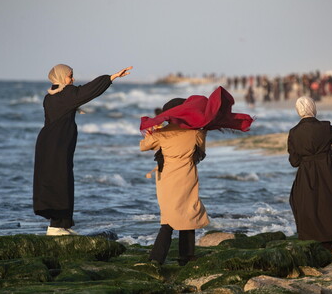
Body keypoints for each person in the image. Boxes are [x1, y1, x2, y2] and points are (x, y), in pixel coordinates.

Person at [140, 87, 253, 266]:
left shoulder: (162, 133)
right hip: (187, 177)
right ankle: (186, 256)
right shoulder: (196, 133)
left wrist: (153, 131)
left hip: (167, 179)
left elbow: (143, 146)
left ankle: (156, 259)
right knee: (188, 213)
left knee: (168, 218)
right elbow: (200, 151)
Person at [33, 64, 133, 236]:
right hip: (57, 144)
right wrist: (111, 77)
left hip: (49, 143)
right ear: (61, 76)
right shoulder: (67, 94)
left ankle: (62, 225)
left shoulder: (50, 97)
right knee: (60, 181)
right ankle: (56, 227)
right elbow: (88, 91)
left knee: (59, 180)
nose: (72, 79)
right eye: (70, 76)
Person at [287, 96, 332, 252]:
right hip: (328, 170)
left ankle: (312, 239)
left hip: (306, 173)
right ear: (313, 108)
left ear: (298, 111)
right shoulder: (324, 128)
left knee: (308, 204)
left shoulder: (293, 133)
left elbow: (294, 162)